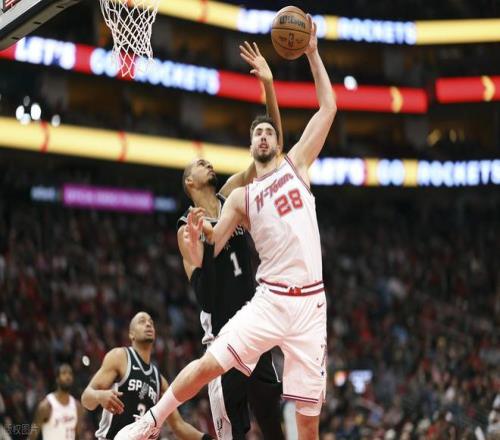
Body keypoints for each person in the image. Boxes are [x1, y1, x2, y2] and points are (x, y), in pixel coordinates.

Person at [116, 14, 336, 440]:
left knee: (307, 423)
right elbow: (216, 240)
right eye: (258, 133)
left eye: (269, 131)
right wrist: (198, 244)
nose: (264, 136)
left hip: (311, 304)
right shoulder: (239, 196)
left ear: (278, 141)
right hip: (267, 301)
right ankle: (150, 422)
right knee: (210, 367)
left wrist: (312, 52)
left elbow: (328, 108)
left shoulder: (297, 166)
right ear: (251, 144)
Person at [177, 42, 284, 440]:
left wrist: (268, 85)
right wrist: (203, 245)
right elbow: (204, 296)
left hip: (254, 327)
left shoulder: (232, 198)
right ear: (190, 183)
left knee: (273, 427)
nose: (207, 162)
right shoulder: (184, 227)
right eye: (198, 164)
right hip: (223, 340)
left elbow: (271, 150)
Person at [81, 311, 212, 440]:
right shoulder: (119, 357)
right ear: (131, 334)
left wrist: (207, 438)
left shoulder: (159, 380)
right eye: (142, 322)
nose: (148, 324)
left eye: (151, 323)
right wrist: (99, 396)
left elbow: (179, 426)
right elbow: (86, 399)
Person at [29, 364, 84, 440]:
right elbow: (32, 436)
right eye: (64, 373)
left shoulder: (77, 406)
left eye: (70, 373)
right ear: (57, 379)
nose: (68, 376)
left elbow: (79, 436)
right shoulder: (46, 406)